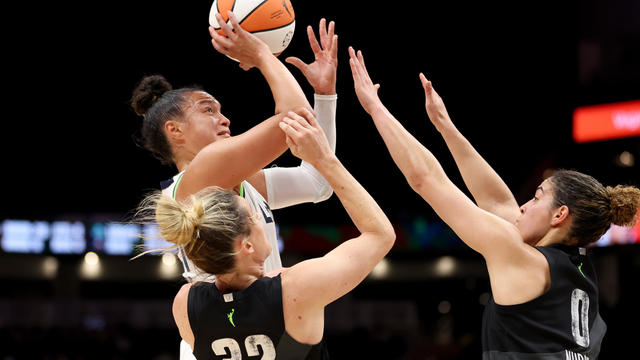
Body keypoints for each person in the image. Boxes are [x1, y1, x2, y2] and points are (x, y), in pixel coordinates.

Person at [347, 46, 640, 359]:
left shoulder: (521, 258)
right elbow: (497, 201)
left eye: (536, 197)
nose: (523, 206)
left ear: (560, 215)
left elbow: (426, 180)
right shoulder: (576, 269)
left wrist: (374, 107)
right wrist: (445, 125)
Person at [130, 12, 339, 359]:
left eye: (220, 109)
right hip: (231, 328)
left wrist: (325, 97)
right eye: (208, 110)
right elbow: (296, 119)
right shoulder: (203, 174)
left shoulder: (229, 178)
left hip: (253, 325)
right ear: (175, 131)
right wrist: (261, 56)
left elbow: (317, 183)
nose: (224, 118)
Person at [136, 109, 395, 359]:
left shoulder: (185, 305)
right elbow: (380, 235)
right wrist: (325, 159)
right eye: (255, 218)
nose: (262, 218)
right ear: (246, 245)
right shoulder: (297, 287)